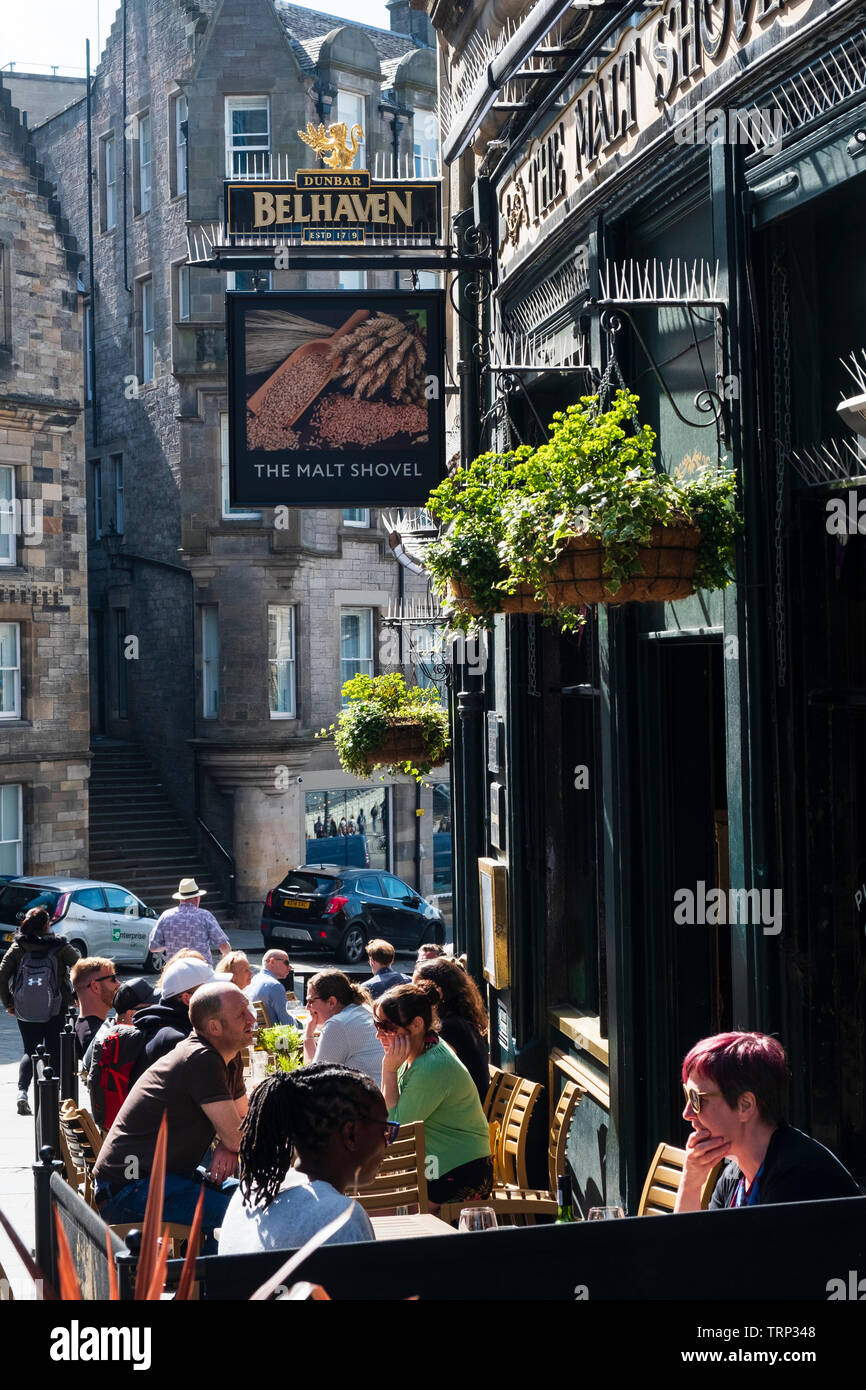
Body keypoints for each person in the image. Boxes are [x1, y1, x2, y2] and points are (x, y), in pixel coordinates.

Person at [92, 980, 252, 1251]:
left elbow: (243, 1121)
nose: (252, 1018)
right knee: (239, 1214)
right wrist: (231, 1143)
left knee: (252, 1197)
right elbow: (240, 1136)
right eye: (241, 1014)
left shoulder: (228, 1056)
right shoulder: (201, 1058)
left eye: (248, 1008)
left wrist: (230, 1144)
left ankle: (204, 1286)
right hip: (128, 1188)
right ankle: (208, 1288)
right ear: (214, 1027)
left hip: (163, 1178)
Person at [674, 1031, 861, 1212]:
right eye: (686, 1095)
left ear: (745, 1106)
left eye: (697, 1098)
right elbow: (692, 1244)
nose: (687, 1112)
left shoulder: (796, 1178)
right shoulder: (736, 1174)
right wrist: (690, 1185)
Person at [217, 1065, 392, 1254]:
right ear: (351, 1134)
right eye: (385, 1130)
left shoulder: (251, 1192)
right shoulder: (341, 1217)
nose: (388, 1140)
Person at [375, 982, 493, 1208]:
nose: (378, 1034)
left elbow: (396, 1130)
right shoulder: (418, 1052)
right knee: (365, 1191)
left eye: (386, 1026)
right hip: (435, 1165)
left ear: (417, 1024)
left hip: (459, 1172)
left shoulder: (433, 1066)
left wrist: (388, 1070)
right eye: (376, 1023)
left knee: (380, 1207)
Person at [0, 906, 79, 1115]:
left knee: (30, 1050)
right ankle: (56, 1096)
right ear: (47, 925)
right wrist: (76, 997)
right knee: (54, 1048)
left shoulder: (19, 947)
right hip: (57, 1006)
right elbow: (81, 966)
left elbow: (2, 972)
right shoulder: (60, 946)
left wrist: (8, 1002)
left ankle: (22, 1093)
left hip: (25, 1007)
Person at [129, 954, 217, 1080]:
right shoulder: (176, 1039)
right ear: (187, 998)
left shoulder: (173, 1024)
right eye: (212, 991)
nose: (219, 994)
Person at [414, 957, 490, 1104]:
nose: (412, 996)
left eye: (416, 989)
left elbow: (426, 1078)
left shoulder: (448, 1029)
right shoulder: (460, 1021)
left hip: (464, 1117)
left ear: (437, 992)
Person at [303, 970, 382, 1083]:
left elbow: (312, 1080)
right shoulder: (362, 1009)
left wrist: (308, 1035)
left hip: (367, 1098)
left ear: (331, 1002)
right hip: (376, 1094)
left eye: (310, 1001)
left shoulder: (338, 1024)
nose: (307, 1007)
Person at [148, 877, 231, 962]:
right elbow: (224, 945)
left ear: (180, 898)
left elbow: (153, 947)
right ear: (196, 898)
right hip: (201, 969)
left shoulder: (166, 916)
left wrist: (170, 944)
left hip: (175, 970)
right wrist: (226, 961)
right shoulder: (205, 916)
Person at [70, 956, 120, 1058]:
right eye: (113, 979)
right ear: (95, 986)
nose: (119, 984)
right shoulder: (97, 1036)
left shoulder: (80, 1027)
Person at [246, 949, 293, 1025]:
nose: (289, 967)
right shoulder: (275, 986)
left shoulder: (252, 981)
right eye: (286, 963)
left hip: (256, 1033)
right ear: (272, 961)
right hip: (274, 1035)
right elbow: (287, 1023)